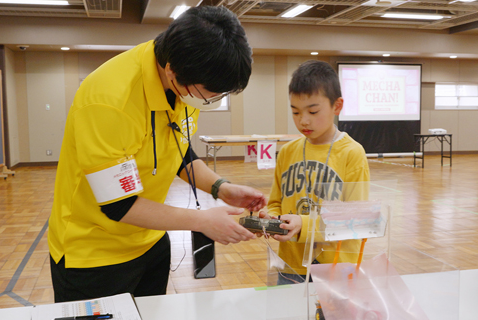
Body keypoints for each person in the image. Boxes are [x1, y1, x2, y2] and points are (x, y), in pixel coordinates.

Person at [48, 6, 266, 303]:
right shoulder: (110, 99)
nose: (211, 100)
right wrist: (202, 221)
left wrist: (222, 188)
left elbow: (178, 150)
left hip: (150, 241)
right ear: (171, 71)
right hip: (93, 256)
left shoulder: (185, 84)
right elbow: (118, 206)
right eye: (209, 94)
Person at [261, 60, 370, 284]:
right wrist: (271, 218)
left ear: (337, 106)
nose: (303, 120)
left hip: (337, 267)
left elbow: (355, 218)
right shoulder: (288, 152)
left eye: (313, 111)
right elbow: (276, 202)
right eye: (295, 112)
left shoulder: (352, 153)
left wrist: (304, 225)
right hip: (291, 264)